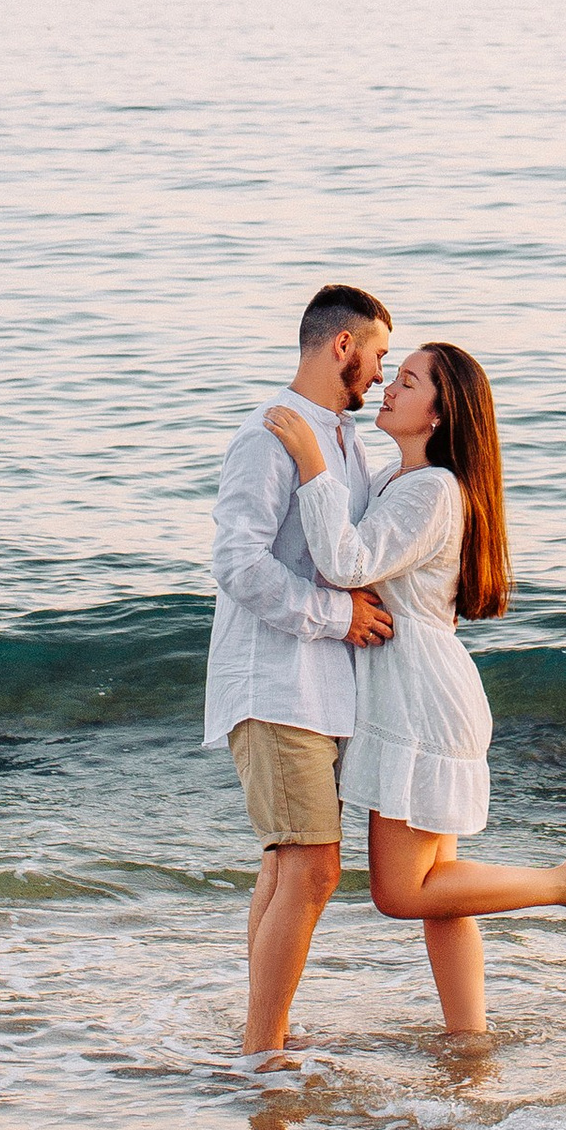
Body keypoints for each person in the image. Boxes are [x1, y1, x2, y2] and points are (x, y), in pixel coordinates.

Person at [263, 339, 566, 1034]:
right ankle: (469, 1039)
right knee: (440, 895)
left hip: (420, 699)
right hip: (425, 691)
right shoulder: (413, 483)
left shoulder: (430, 490)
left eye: (409, 381)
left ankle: (562, 882)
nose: (390, 389)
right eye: (393, 376)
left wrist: (311, 462)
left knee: (402, 893)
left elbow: (346, 561)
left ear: (439, 413)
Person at [205, 282, 399, 1056]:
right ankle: (263, 1051)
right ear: (341, 347)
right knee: (314, 868)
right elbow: (237, 563)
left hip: (322, 691)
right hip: (276, 682)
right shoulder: (269, 433)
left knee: (290, 865)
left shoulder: (345, 441)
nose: (383, 375)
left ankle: (262, 1038)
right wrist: (339, 617)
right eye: (379, 355)